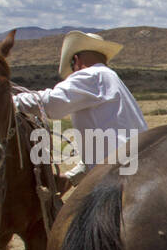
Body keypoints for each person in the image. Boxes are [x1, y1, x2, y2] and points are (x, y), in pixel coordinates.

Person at [13, 31, 147, 183]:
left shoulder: (92, 75)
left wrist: (10, 102)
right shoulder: (109, 78)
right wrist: (73, 177)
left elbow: (51, 105)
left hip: (117, 174)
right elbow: (101, 144)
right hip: (135, 165)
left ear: (75, 60)